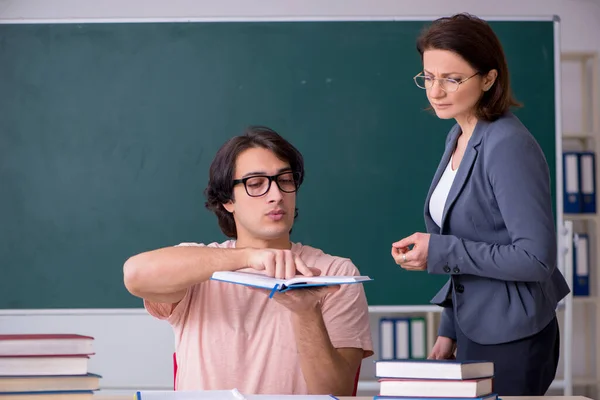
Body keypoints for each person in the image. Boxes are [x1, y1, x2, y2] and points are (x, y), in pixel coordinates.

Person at [390, 13, 570, 396]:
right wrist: (449, 330)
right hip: (474, 328)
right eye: (429, 77)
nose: (435, 91)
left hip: (514, 335)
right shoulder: (458, 135)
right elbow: (471, 236)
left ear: (489, 79)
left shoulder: (507, 145)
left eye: (452, 79)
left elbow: (536, 259)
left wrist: (439, 250)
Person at [123, 126, 373, 395]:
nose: (276, 195)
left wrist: (306, 312)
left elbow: (337, 393)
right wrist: (249, 257)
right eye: (256, 184)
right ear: (227, 200)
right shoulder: (199, 266)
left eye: (286, 180)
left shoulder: (334, 273)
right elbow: (135, 274)